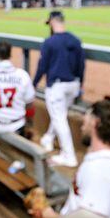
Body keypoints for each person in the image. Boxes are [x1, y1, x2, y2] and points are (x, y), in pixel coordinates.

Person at [28, 96, 110, 218]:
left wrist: (49, 215)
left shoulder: (98, 169)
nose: (82, 124)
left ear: (96, 122)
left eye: (86, 116)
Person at [35, 11, 86, 167]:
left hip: (57, 85)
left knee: (59, 118)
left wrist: (34, 83)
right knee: (60, 114)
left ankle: (68, 156)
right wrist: (80, 84)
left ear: (51, 22)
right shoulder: (75, 40)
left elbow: (42, 66)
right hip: (73, 84)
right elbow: (82, 65)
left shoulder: (50, 42)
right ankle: (48, 138)